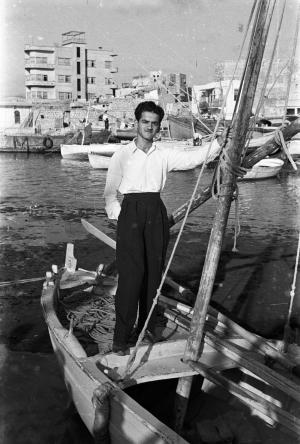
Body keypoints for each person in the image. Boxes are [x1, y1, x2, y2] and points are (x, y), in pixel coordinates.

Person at [103, 101, 225, 355]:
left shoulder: (164, 154)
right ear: (137, 123)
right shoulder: (122, 155)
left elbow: (194, 159)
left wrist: (218, 143)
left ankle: (145, 328)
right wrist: (119, 215)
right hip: (131, 212)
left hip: (155, 211)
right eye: (145, 122)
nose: (149, 127)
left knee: (153, 276)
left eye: (154, 123)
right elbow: (109, 192)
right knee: (131, 277)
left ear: (159, 126)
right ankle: (120, 339)